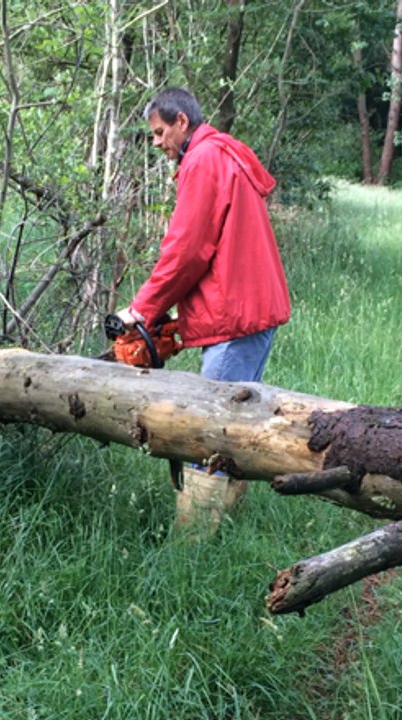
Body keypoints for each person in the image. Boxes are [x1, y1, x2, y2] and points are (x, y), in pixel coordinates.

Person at [114, 87, 291, 531]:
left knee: (206, 433)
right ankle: (225, 533)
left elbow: (188, 249)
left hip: (237, 317)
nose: (156, 142)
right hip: (244, 310)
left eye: (159, 133)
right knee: (233, 425)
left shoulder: (204, 160)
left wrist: (141, 310)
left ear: (181, 123)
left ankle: (190, 553)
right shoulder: (220, 154)